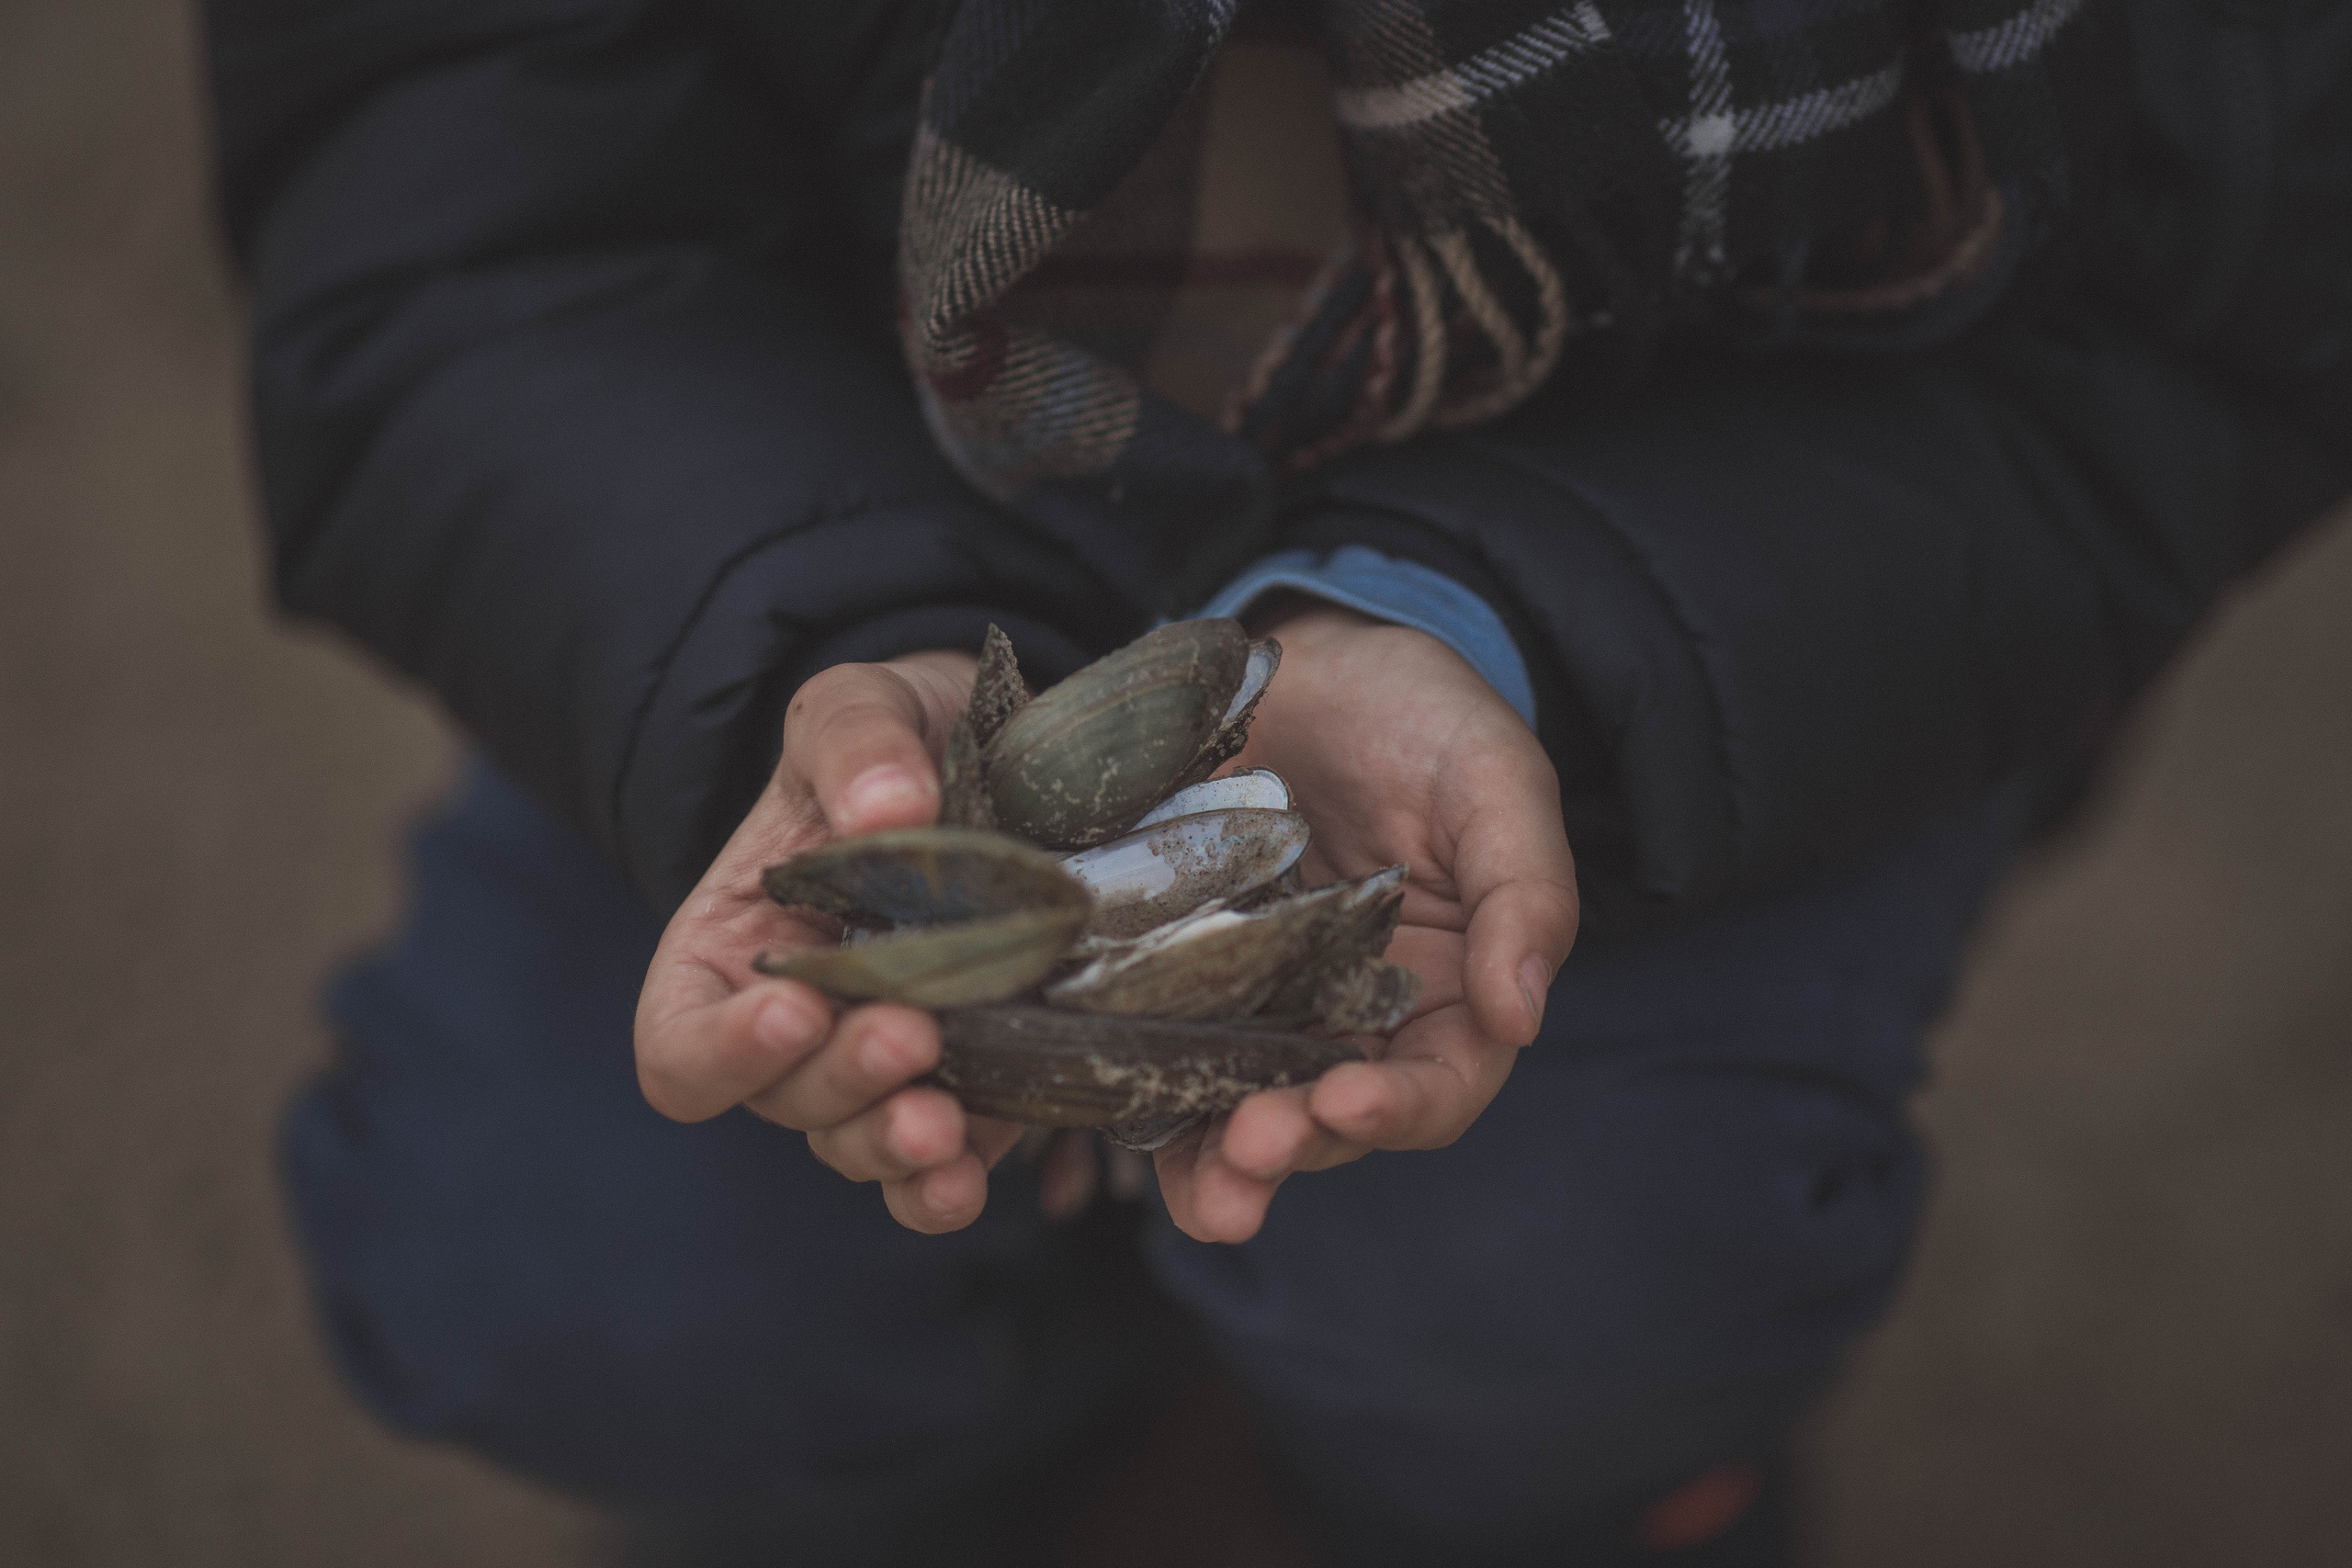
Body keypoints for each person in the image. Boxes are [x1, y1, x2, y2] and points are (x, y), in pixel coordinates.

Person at [204, 1, 2348, 1562]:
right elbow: (461, 194)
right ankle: (953, 1469)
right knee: (571, 1265)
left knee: (1565, 1280)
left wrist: (1497, 623)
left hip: (1721, 592)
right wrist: (799, 644)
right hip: (799, 513)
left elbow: (2200, 332)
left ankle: (1565, 1510)